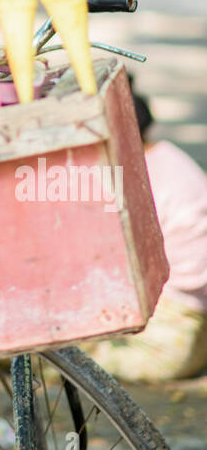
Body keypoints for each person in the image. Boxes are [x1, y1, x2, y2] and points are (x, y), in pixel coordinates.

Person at [86, 85, 207, 382]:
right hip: (193, 329)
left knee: (57, 356)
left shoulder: (139, 175)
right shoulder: (167, 157)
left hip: (169, 338)